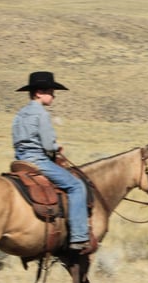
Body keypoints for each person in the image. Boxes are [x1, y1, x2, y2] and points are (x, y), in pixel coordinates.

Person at [12, 71, 96, 254]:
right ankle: (79, 237)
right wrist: (56, 148)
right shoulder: (41, 114)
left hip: (20, 160)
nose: (54, 95)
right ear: (39, 93)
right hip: (38, 160)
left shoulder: (20, 114)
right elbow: (48, 145)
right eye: (50, 91)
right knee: (76, 186)